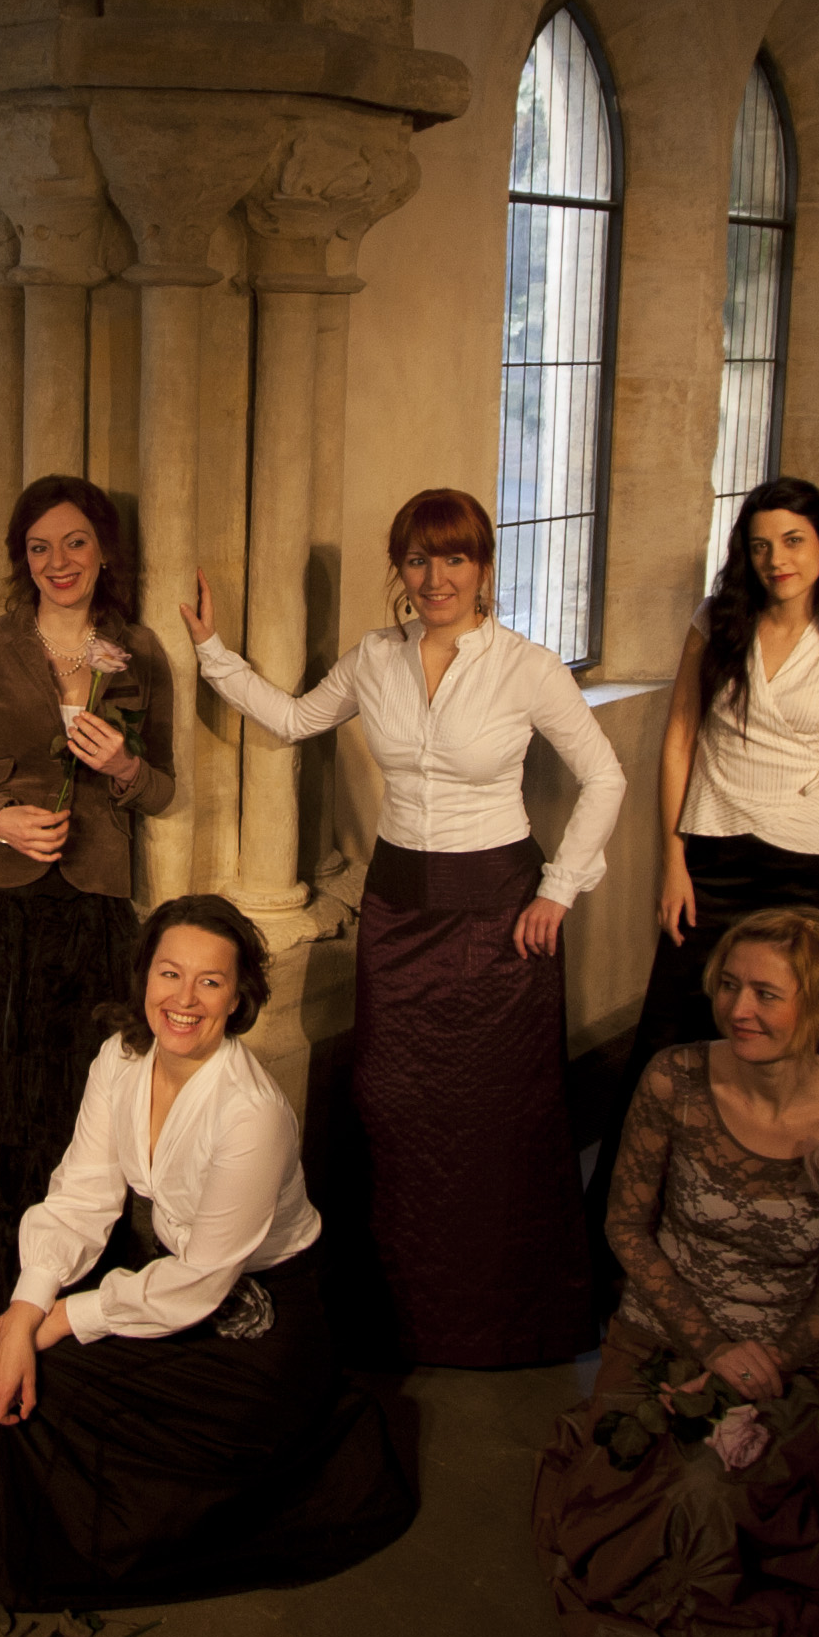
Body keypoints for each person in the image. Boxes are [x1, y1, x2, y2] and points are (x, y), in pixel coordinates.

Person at [183, 487, 623, 1368]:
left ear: (483, 567)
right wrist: (211, 653)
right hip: (398, 912)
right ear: (401, 569)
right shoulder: (375, 658)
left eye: (454, 558)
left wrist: (558, 890)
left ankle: (505, 1317)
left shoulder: (526, 666)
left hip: (500, 916)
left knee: (497, 1115)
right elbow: (296, 720)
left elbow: (604, 778)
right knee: (395, 1102)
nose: (435, 578)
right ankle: (402, 1313)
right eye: (419, 560)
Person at [0, 896, 418, 1610]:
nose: (185, 999)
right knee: (20, 1351)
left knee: (58, 1373)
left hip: (270, 1315)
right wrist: (26, 1309)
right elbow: (81, 1194)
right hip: (172, 1283)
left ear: (238, 998)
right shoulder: (119, 1058)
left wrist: (61, 1318)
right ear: (145, 977)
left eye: (210, 981)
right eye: (170, 974)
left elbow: (200, 1281)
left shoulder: (251, 1113)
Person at [532, 907, 819, 1637]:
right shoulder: (675, 1078)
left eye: (767, 994)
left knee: (708, 1498)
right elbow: (626, 1226)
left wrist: (771, 1359)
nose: (740, 1009)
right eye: (730, 986)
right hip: (661, 1328)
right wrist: (709, 1345)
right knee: (640, 1490)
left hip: (779, 1357)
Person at [592, 477, 819, 1269]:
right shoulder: (716, 624)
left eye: (792, 541)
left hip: (808, 866)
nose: (777, 559)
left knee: (808, 1048)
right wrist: (674, 861)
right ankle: (620, 1239)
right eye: (760, 546)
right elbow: (679, 741)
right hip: (712, 856)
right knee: (669, 1039)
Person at [0, 474, 177, 1330]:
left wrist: (124, 768)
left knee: (74, 1101)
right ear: (22, 559)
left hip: (90, 906)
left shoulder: (137, 652)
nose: (59, 562)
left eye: (75, 542)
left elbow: (163, 789)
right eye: (39, 547)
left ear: (104, 551)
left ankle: (57, 1296)